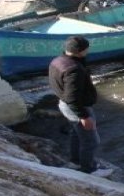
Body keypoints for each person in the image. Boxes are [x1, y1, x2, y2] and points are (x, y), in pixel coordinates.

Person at [48, 36, 113, 177]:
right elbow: (72, 97)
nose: (88, 51)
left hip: (64, 104)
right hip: (76, 107)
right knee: (91, 140)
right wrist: (84, 116)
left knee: (76, 135)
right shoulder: (74, 70)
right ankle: (89, 170)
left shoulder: (58, 60)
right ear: (80, 51)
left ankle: (76, 161)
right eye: (86, 49)